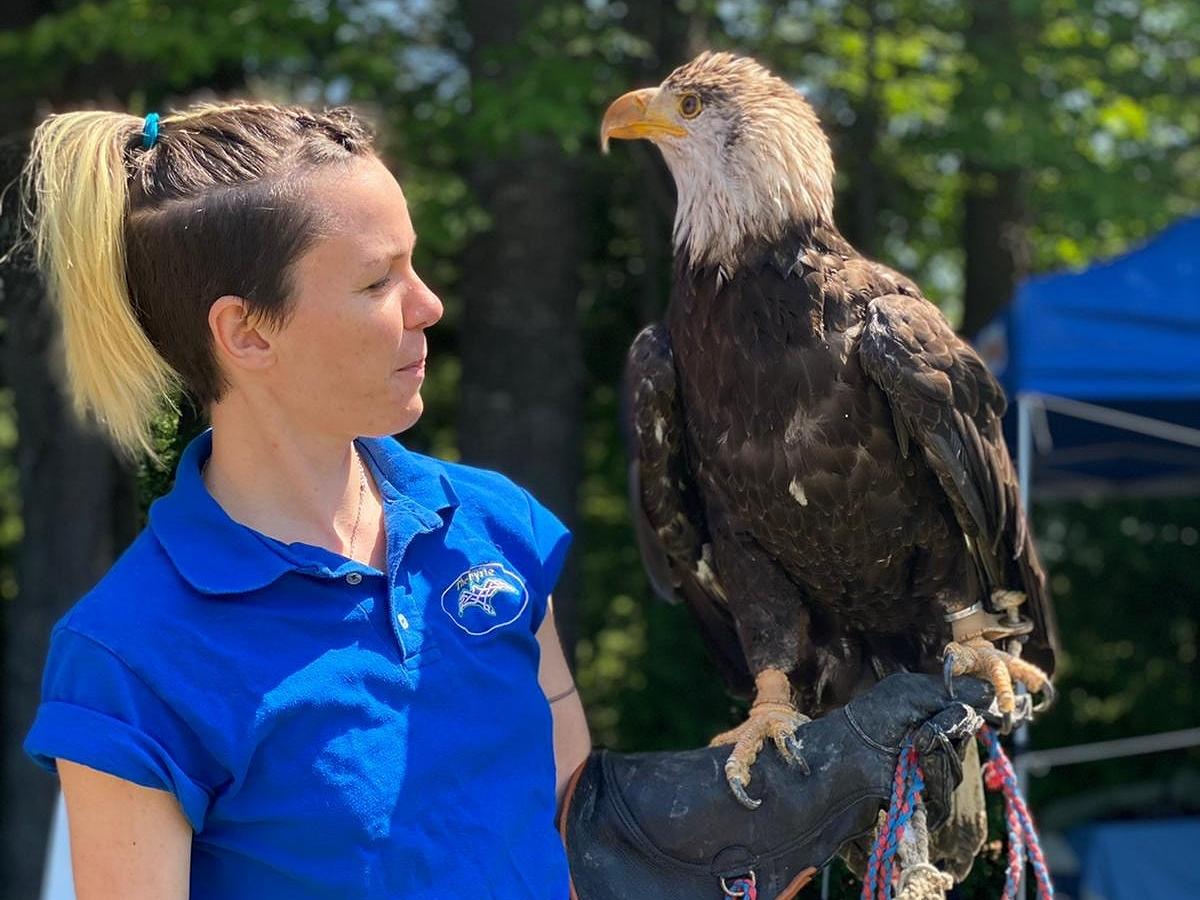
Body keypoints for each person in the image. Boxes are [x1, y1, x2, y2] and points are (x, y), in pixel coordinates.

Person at [17, 101, 990, 900]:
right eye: (376, 281)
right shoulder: (130, 656)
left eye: (416, 262)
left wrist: (755, 829)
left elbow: (575, 847)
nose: (428, 303)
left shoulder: (496, 532)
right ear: (248, 334)